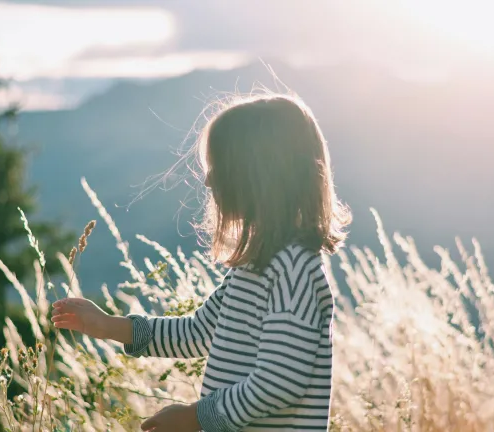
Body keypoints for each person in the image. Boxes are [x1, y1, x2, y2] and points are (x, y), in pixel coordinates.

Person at [51, 92, 351, 431]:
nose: (208, 180)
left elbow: (279, 383)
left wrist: (195, 417)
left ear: (259, 176)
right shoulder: (253, 268)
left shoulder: (293, 270)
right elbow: (198, 332)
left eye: (219, 168)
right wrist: (107, 326)